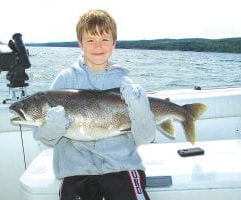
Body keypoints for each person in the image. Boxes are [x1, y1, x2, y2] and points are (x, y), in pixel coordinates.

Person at [33, 9, 156, 200]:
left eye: (105, 39)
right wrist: (52, 126)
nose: (98, 45)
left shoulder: (125, 83)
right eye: (90, 40)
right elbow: (47, 140)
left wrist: (140, 108)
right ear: (80, 44)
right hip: (76, 171)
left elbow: (145, 137)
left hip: (122, 167)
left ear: (114, 43)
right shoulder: (65, 80)